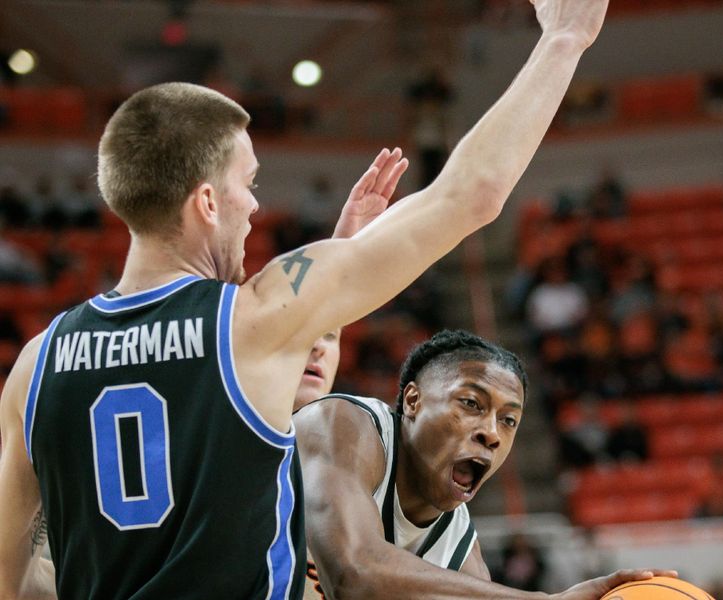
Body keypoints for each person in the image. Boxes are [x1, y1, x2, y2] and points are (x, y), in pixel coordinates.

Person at [0, 0, 623, 596]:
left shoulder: (35, 365)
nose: (255, 205)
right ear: (208, 201)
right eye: (248, 183)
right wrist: (564, 40)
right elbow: (469, 195)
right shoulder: (250, 321)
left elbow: (8, 577)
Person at [295, 329, 676, 599]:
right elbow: (355, 575)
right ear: (412, 401)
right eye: (471, 404)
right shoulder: (343, 425)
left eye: (508, 420)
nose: (492, 433)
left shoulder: (458, 549)